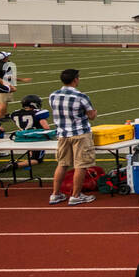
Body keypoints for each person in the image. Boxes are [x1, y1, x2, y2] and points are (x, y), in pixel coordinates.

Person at [49, 68, 97, 205]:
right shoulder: (81, 96)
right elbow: (91, 115)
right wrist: (94, 113)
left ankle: (55, 194)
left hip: (62, 134)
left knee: (62, 164)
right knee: (81, 165)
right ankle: (76, 195)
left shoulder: (53, 95)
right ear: (75, 80)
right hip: (80, 133)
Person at [0, 51, 28, 119]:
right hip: (3, 85)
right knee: (3, 102)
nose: (8, 57)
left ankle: (5, 114)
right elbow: (9, 77)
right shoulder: (7, 66)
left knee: (2, 101)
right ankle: (1, 117)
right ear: (4, 58)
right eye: (7, 56)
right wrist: (22, 80)